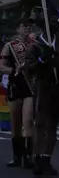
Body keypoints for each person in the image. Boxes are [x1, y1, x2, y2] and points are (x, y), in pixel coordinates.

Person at [27, 15, 59, 177]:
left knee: (52, 125)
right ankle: (36, 158)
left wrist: (58, 61)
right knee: (40, 124)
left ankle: (46, 158)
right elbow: (28, 69)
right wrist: (42, 59)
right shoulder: (36, 46)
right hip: (43, 87)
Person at [0, 18, 35, 169]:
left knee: (28, 121)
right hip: (15, 85)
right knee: (15, 123)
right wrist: (14, 71)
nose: (26, 28)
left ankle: (28, 156)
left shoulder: (35, 45)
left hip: (30, 87)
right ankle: (17, 156)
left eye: (28, 26)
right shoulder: (10, 46)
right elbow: (2, 66)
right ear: (17, 29)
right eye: (23, 26)